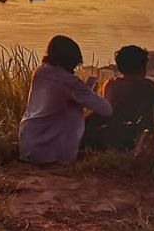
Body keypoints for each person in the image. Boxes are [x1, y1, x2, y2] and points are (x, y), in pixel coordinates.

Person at [20, 35, 112, 164]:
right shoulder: (71, 82)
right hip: (54, 152)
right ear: (71, 61)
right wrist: (91, 92)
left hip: (29, 145)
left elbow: (60, 96)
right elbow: (106, 110)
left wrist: (84, 91)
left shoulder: (40, 72)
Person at [99, 45, 154, 149]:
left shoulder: (110, 84)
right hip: (140, 140)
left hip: (114, 137)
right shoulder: (149, 86)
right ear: (143, 66)